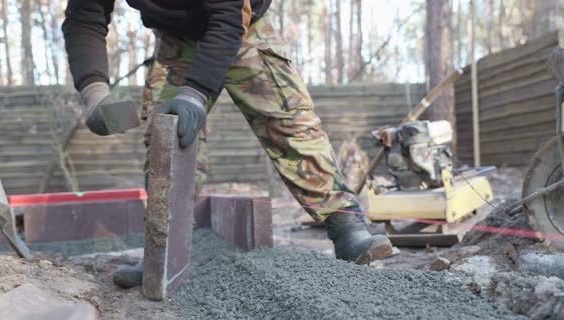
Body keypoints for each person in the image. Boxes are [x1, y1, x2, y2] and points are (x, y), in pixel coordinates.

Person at [62, 0, 393, 288]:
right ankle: (161, 251)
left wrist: (195, 94)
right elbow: (85, 16)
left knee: (289, 123)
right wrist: (94, 93)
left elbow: (228, 14)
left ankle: (345, 227)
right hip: (175, 39)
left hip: (242, 26)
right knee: (165, 136)